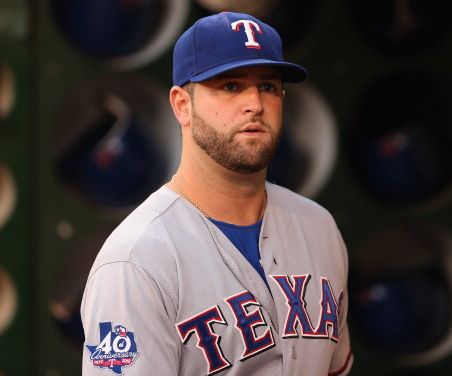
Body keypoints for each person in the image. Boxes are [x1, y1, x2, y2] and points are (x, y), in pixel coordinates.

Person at [81, 11, 353, 376]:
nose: (255, 104)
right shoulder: (135, 262)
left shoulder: (318, 227)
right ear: (182, 105)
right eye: (230, 86)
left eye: (268, 86)